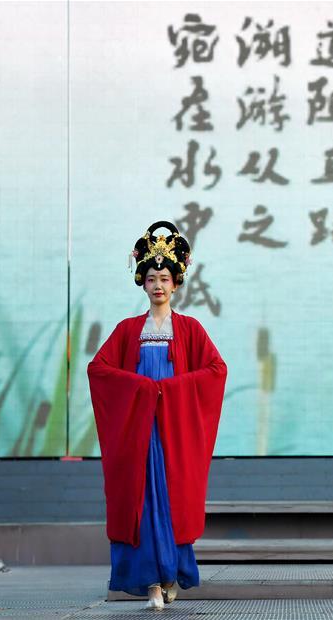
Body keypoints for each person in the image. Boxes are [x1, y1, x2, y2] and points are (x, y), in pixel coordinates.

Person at [88, 221, 228, 610]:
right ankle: (150, 583)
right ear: (142, 282)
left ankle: (171, 574)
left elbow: (216, 371)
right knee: (141, 502)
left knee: (172, 499)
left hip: (172, 430)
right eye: (151, 278)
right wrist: (140, 389)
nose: (158, 286)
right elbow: (98, 370)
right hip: (139, 431)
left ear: (176, 282)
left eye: (165, 278)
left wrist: (170, 390)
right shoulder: (128, 329)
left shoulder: (190, 329)